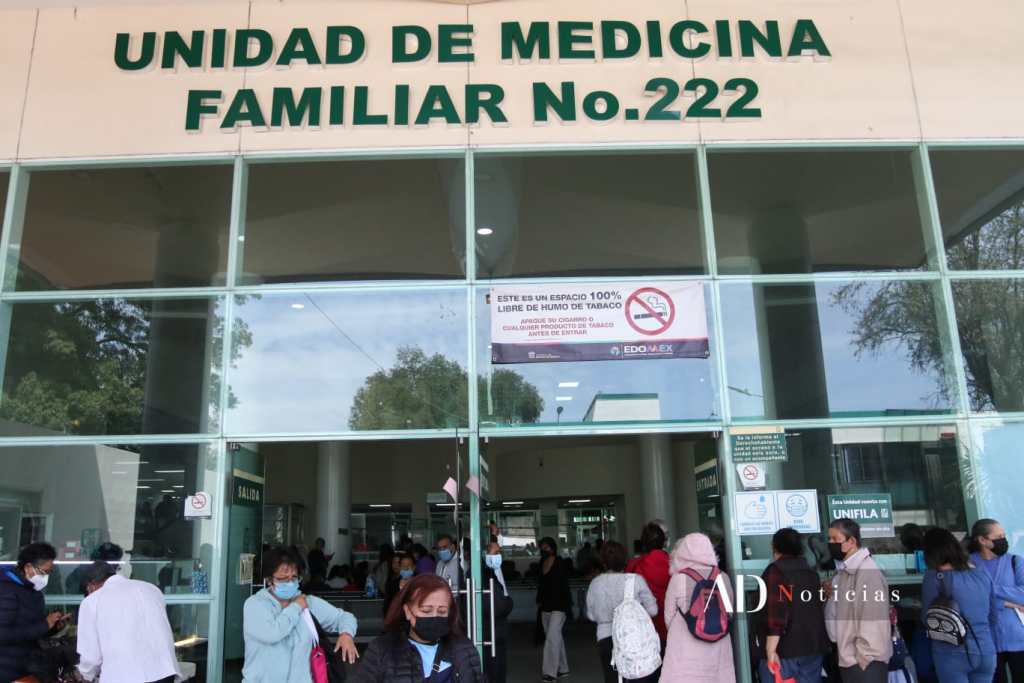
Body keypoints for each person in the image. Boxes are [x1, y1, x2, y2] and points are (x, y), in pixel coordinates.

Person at [242, 546, 359, 682]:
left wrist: (346, 634)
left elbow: (344, 617)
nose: (290, 583)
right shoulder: (255, 605)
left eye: (294, 578)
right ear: (269, 580)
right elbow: (273, 633)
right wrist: (296, 607)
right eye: (283, 579)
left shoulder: (309, 603)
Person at [353, 573, 484, 682]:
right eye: (426, 611)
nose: (434, 616)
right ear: (407, 611)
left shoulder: (464, 649)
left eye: (442, 611)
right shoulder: (381, 650)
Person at [74, 560, 182, 683]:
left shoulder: (92, 601)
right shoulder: (151, 589)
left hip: (126, 676)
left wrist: (84, 675)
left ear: (91, 586)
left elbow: (91, 657)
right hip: (165, 672)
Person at [921, 527, 997, 683]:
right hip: (985, 649)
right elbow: (993, 615)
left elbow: (927, 618)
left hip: (951, 652)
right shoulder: (981, 573)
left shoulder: (935, 577)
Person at [756, 528, 829, 683]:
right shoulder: (811, 573)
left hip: (785, 650)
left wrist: (770, 650)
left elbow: (776, 613)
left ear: (775, 547)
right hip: (813, 648)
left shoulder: (776, 571)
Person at [824, 518, 892, 683]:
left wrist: (864, 658)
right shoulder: (846, 571)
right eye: (829, 539)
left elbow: (872, 619)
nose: (830, 543)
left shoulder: (867, 572)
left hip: (864, 662)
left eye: (835, 539)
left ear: (852, 541)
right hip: (850, 657)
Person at [660, 533, 735, 682]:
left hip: (685, 644)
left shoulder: (678, 578)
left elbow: (668, 616)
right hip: (718, 642)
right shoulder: (723, 576)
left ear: (683, 551)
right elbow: (729, 611)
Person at [586, 540, 658, 683]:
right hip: (633, 637)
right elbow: (653, 610)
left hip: (605, 637)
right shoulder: (636, 580)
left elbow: (591, 615)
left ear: (603, 562)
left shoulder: (595, 583)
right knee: (636, 677)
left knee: (612, 678)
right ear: (625, 560)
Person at [0, 543, 67, 683]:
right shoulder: (6, 590)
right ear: (28, 567)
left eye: (49, 572)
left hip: (26, 664)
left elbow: (32, 630)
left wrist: (53, 627)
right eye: (43, 572)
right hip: (8, 668)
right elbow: (3, 634)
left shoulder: (33, 591)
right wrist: (44, 624)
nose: (46, 577)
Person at [967, 518, 1024, 682]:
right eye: (998, 537)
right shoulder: (968, 564)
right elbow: (971, 600)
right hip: (986, 641)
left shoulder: (1015, 561)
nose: (1003, 540)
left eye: (1004, 536)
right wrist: (1007, 602)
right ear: (982, 540)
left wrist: (989, 589)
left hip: (1018, 638)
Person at [627, 521, 671, 646]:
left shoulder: (634, 565)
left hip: (643, 627)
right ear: (664, 541)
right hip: (670, 626)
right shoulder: (675, 564)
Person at [537, 536, 572, 682]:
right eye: (543, 547)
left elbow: (563, 585)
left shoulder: (559, 562)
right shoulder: (541, 563)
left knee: (552, 638)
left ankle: (550, 673)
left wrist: (568, 606)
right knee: (555, 637)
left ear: (553, 548)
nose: (545, 550)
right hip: (545, 606)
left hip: (559, 606)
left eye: (547, 547)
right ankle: (563, 669)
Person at [483, 540, 515, 683]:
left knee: (500, 665)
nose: (498, 556)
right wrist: (509, 603)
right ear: (485, 555)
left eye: (499, 552)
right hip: (491, 628)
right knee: (493, 667)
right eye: (495, 553)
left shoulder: (496, 569)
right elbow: (500, 604)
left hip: (499, 628)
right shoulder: (484, 573)